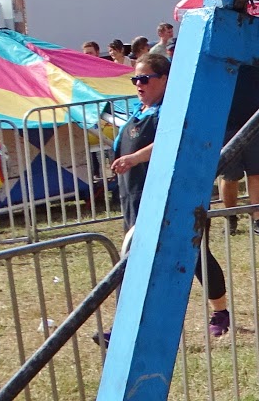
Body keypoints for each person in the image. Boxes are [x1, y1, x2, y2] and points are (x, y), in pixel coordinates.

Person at [106, 53, 232, 340]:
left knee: (197, 256)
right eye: (135, 79)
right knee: (135, 262)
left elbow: (171, 141)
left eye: (145, 79)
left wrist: (135, 157)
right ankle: (127, 327)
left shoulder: (174, 110)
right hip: (135, 199)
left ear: (164, 79)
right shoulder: (137, 113)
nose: (139, 84)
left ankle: (220, 312)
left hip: (173, 197)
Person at [219, 63, 259, 235]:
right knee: (230, 176)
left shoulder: (255, 55)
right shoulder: (221, 55)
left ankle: (258, 220)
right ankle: (231, 216)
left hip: (256, 123)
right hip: (226, 125)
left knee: (257, 173)